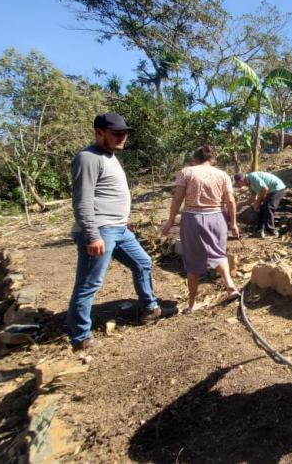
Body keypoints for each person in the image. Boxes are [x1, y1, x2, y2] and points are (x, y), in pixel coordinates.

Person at [68, 112, 164, 351]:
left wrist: (122, 221)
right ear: (99, 133)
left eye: (125, 134)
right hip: (100, 229)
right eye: (117, 134)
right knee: (89, 283)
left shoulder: (109, 155)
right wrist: (92, 235)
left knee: (142, 262)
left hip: (118, 228)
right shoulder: (88, 158)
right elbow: (82, 200)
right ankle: (80, 336)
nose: (123, 138)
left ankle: (150, 308)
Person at [161, 146, 239, 314]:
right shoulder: (223, 175)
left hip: (193, 218)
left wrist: (170, 221)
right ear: (213, 159)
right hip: (218, 218)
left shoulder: (187, 172)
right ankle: (230, 286)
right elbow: (231, 201)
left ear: (195, 159)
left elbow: (177, 199)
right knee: (219, 253)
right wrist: (233, 223)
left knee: (193, 261)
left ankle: (191, 303)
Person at [234, 171, 286, 238]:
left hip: (277, 188)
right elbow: (253, 198)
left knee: (268, 207)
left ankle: (271, 231)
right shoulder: (249, 184)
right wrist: (240, 204)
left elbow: (264, 189)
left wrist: (258, 202)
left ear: (241, 180)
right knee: (261, 209)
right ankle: (259, 231)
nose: (240, 186)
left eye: (239, 184)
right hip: (269, 191)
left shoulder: (252, 177)